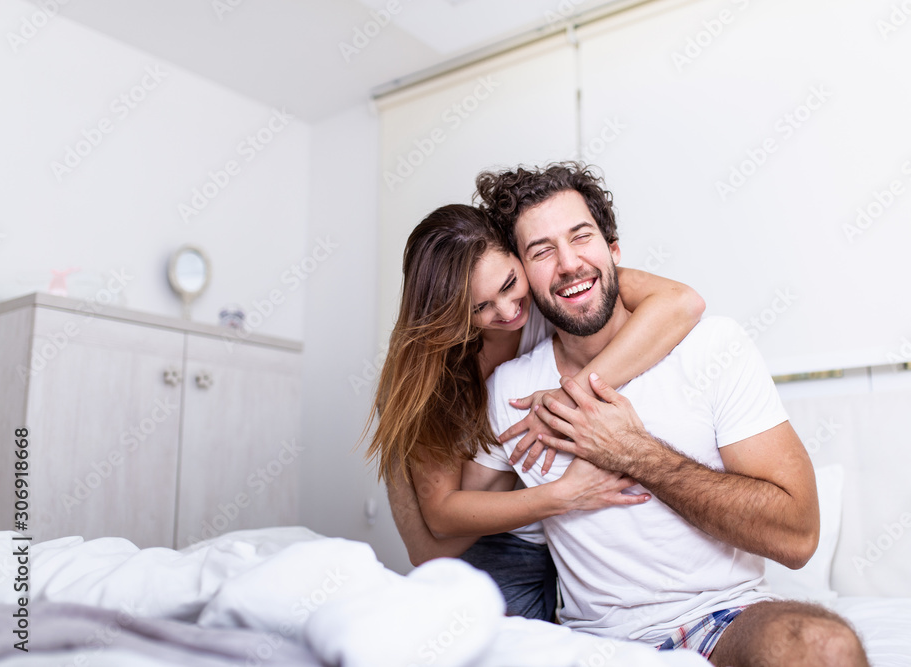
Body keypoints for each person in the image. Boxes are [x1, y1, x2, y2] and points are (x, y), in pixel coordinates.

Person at [428, 163, 869, 665]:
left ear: (613, 251)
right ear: (524, 277)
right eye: (542, 251)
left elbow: (798, 535)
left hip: (720, 619)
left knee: (824, 648)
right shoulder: (511, 387)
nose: (569, 263)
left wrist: (635, 454)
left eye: (581, 236)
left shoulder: (711, 347)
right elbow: (450, 517)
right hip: (592, 644)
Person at [365, 203, 706, 621]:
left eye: (510, 283)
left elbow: (681, 302)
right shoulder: (439, 373)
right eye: (480, 308)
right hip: (508, 543)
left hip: (575, 541)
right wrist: (562, 496)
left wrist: (568, 395)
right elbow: (434, 533)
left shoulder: (561, 290)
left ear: (518, 253)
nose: (509, 313)